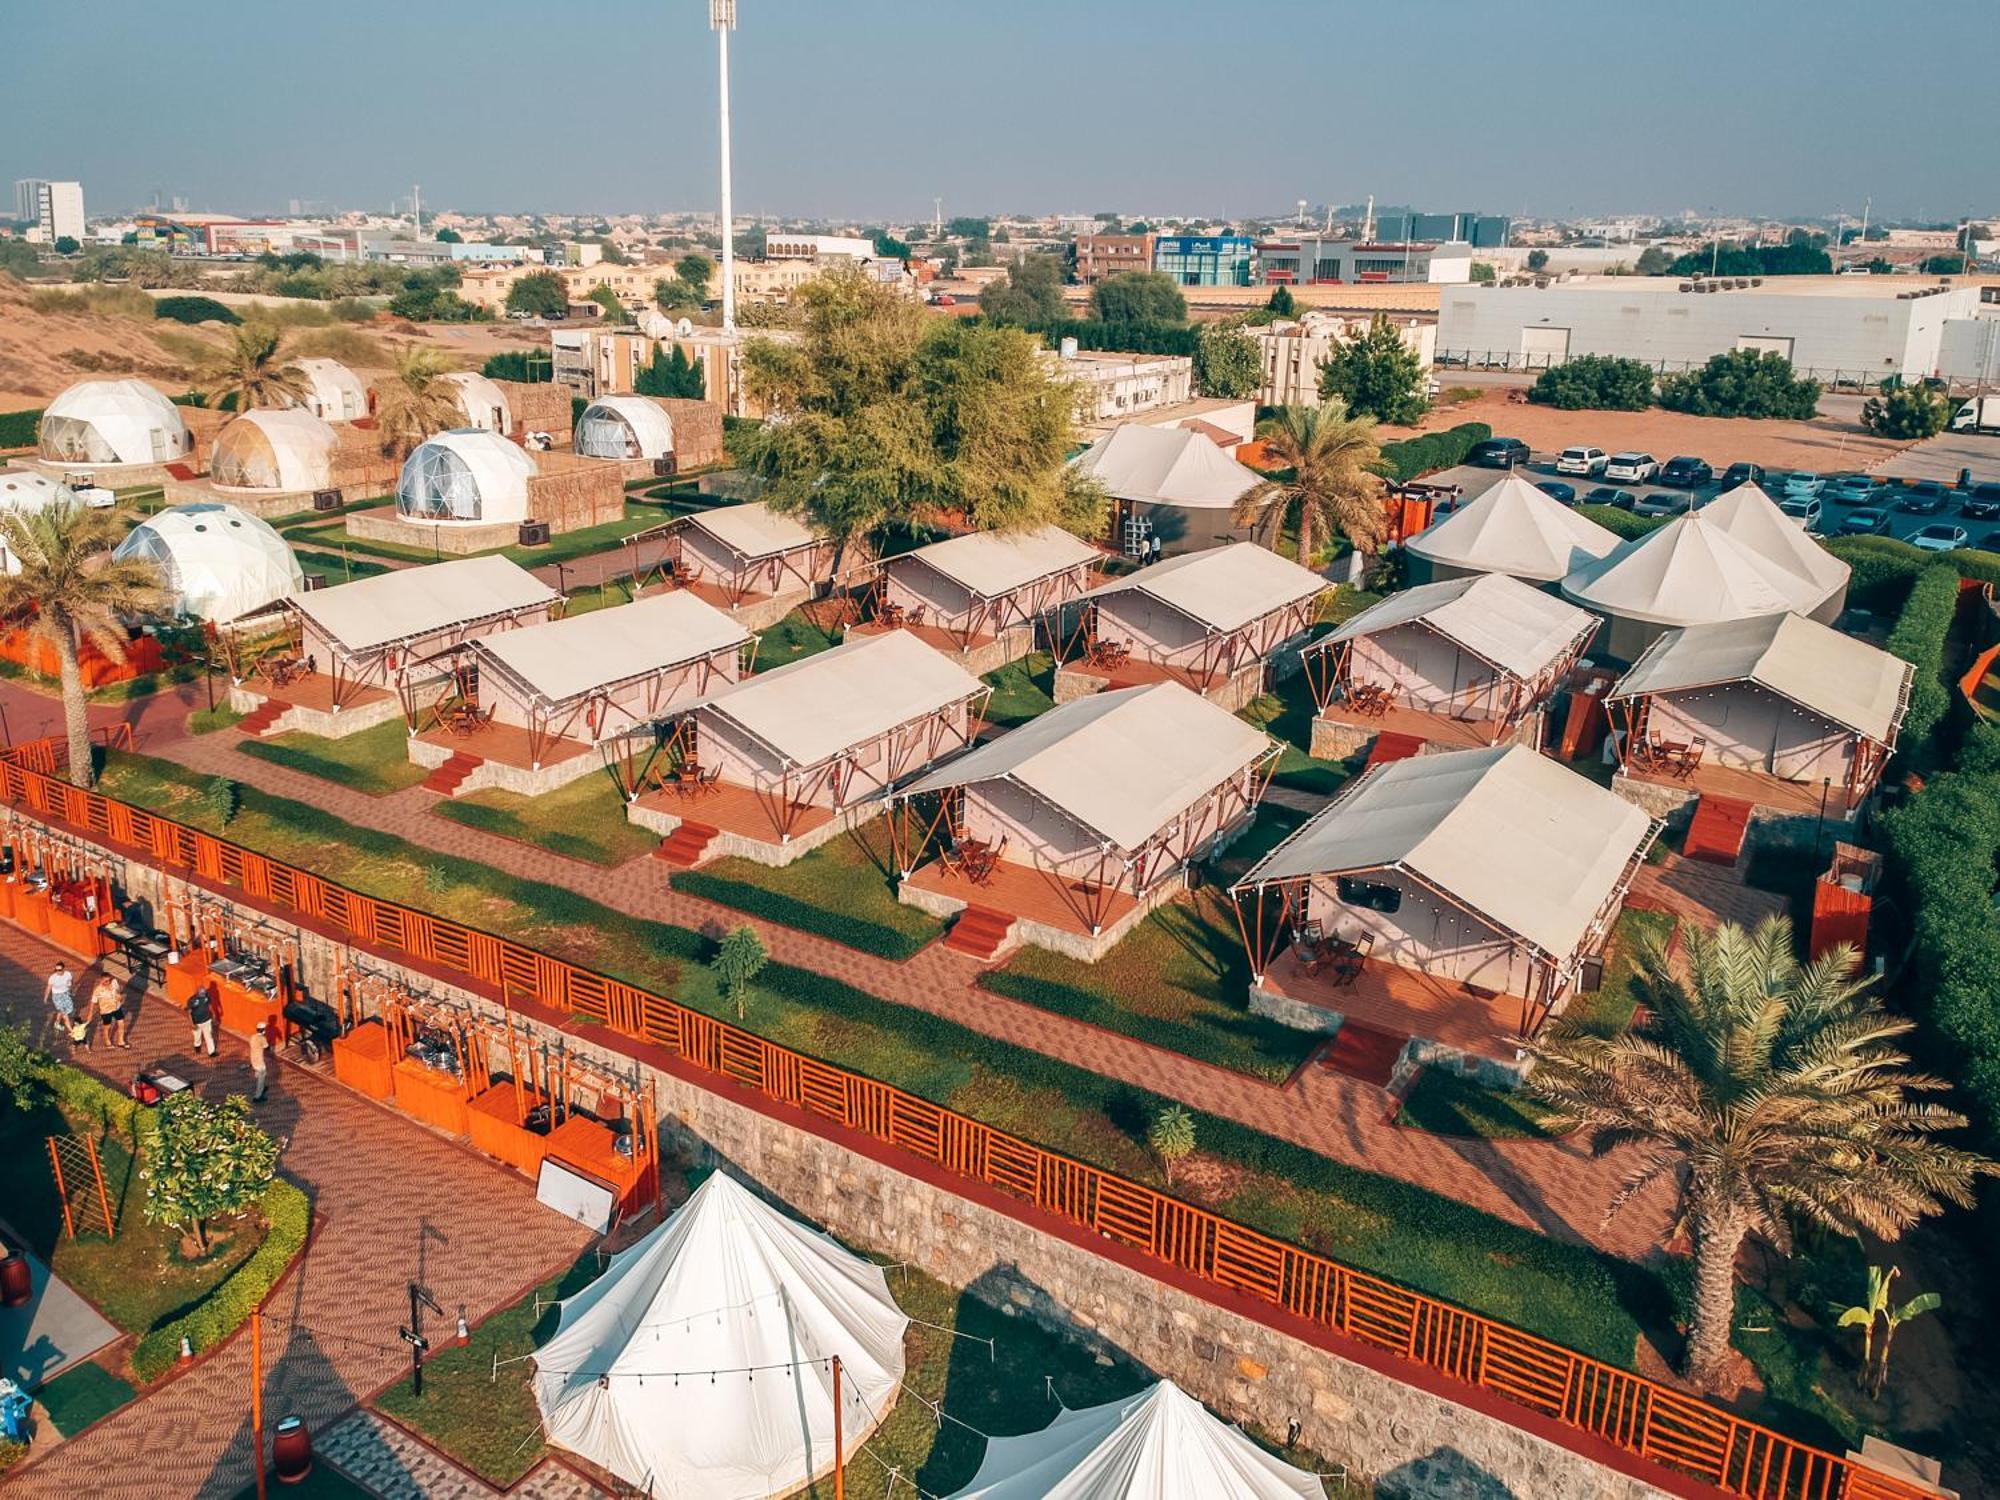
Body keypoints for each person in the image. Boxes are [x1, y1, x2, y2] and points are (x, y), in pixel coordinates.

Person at [91, 975, 129, 1050]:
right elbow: (93, 1002)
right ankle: (107, 1041)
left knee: (121, 1024)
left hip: (117, 1007)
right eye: (105, 981)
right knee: (107, 1027)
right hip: (106, 1011)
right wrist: (90, 1014)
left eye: (109, 980)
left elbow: (118, 992)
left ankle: (121, 1041)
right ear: (101, 980)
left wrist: (120, 997)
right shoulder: (97, 990)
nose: (108, 982)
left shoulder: (114, 983)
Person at [188, 986, 217, 1058]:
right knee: (197, 1036)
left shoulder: (207, 997)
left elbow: (210, 1006)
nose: (203, 995)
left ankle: (211, 1052)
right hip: (197, 1022)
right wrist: (192, 1023)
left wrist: (213, 1014)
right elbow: (189, 1013)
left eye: (203, 993)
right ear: (197, 992)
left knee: (209, 1036)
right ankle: (197, 1045)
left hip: (207, 1020)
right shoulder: (192, 1000)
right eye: (201, 994)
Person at [249, 1020, 271, 1104]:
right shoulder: (262, 1038)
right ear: (263, 1030)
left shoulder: (253, 1037)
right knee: (261, 1077)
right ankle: (258, 1096)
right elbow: (267, 1047)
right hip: (260, 1062)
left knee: (259, 1074)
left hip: (253, 1059)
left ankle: (261, 1087)